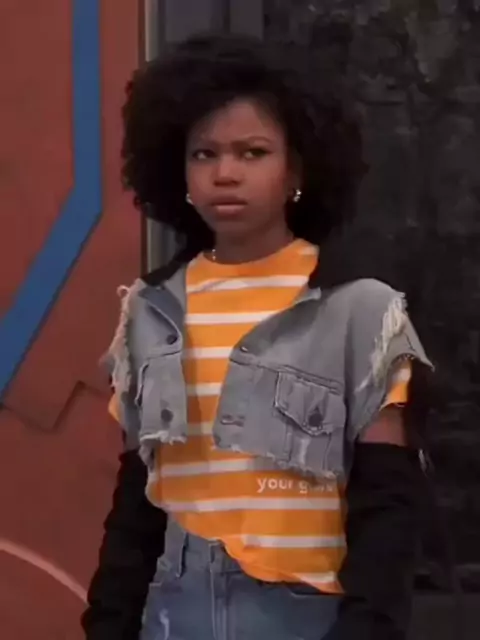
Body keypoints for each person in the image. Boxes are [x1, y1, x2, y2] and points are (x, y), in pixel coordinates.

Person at [82, 33, 433, 640]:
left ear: (296, 168)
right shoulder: (150, 309)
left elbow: (388, 501)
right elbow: (138, 497)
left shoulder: (361, 311)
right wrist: (108, 621)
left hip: (306, 616)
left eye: (253, 152)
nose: (225, 174)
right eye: (204, 154)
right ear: (177, 169)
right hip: (172, 613)